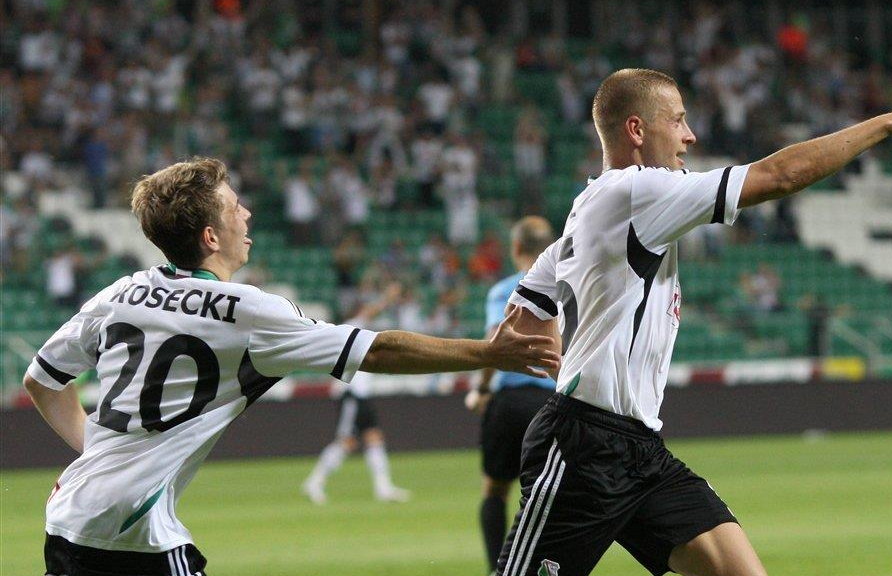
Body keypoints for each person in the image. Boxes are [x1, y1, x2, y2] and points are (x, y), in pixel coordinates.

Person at [497, 68, 892, 576]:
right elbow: (779, 177)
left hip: (639, 449)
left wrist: (540, 330)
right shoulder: (637, 191)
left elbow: (530, 301)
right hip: (583, 450)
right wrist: (886, 125)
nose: (690, 136)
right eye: (677, 121)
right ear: (636, 130)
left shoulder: (592, 204)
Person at [23, 157, 558, 576]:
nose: (247, 214)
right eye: (235, 207)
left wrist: (96, 453)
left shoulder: (123, 291)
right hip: (131, 529)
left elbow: (43, 380)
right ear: (211, 237)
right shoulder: (248, 312)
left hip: (68, 516)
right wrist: (487, 352)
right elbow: (377, 349)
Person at [465, 216, 558, 573]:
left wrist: (482, 389)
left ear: (515, 248)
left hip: (510, 401)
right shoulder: (572, 286)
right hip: (555, 402)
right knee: (551, 494)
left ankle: (496, 569)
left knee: (495, 490)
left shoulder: (505, 289)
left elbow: (495, 342)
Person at [303, 282, 411, 505]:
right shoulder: (351, 326)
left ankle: (383, 487)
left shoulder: (357, 329)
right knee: (346, 442)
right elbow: (369, 312)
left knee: (374, 438)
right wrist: (388, 297)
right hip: (351, 394)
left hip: (362, 395)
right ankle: (315, 481)